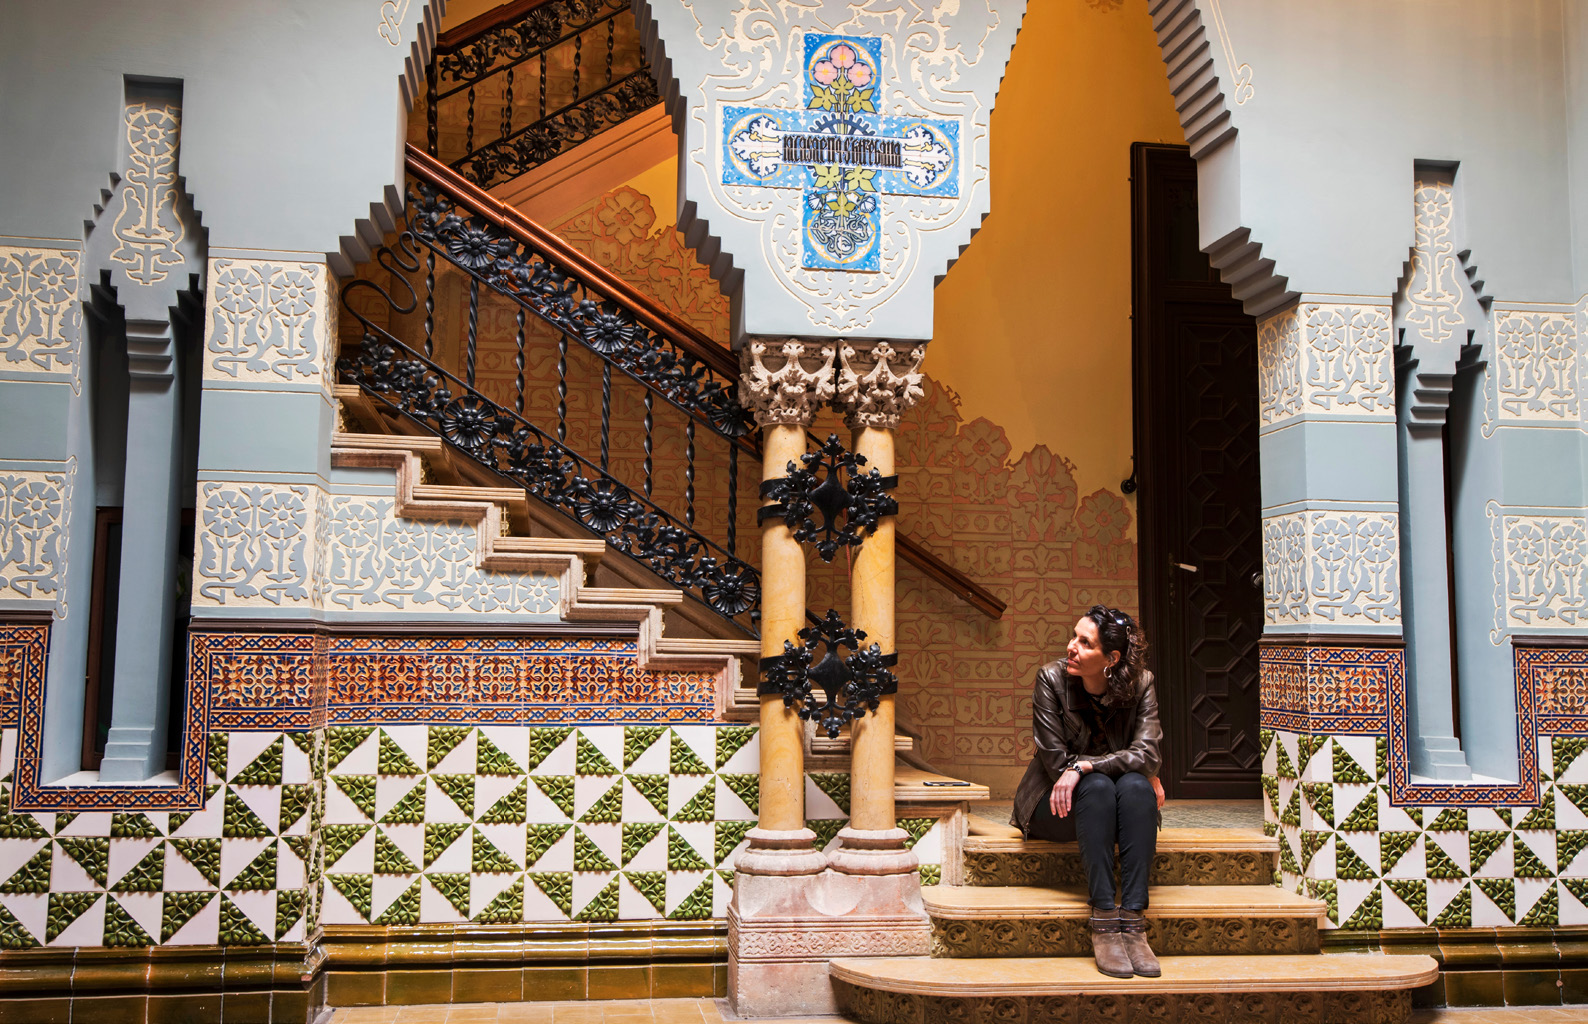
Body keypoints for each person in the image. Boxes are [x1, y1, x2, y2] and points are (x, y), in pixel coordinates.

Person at [1010, 605, 1164, 979]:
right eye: (1073, 636)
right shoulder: (1051, 679)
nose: (1070, 647)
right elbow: (1055, 760)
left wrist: (1090, 764)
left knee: (1135, 788)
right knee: (1097, 787)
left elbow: (1149, 752)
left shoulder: (1141, 683)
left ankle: (1133, 919)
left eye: (1084, 642)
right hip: (1054, 804)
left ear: (1111, 658)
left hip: (1117, 806)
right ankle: (1104, 919)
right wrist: (1090, 769)